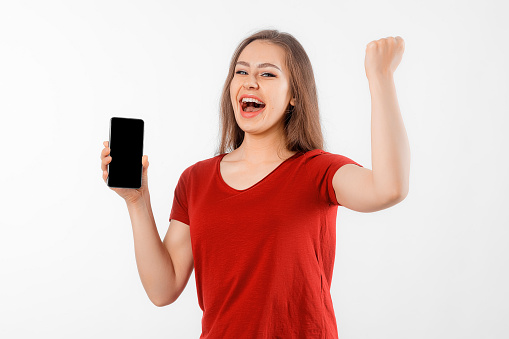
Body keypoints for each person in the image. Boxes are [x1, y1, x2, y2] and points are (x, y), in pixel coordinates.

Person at [100, 29, 410, 338]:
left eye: (268, 74)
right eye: (241, 71)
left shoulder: (319, 171)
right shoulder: (196, 180)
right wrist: (136, 200)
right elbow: (162, 289)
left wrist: (380, 77)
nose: (250, 81)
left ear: (294, 96)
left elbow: (388, 188)